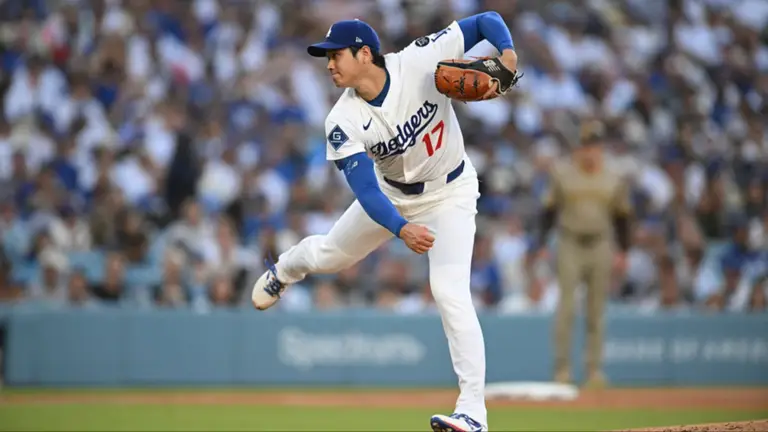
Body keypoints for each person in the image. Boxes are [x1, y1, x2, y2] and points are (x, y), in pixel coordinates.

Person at [251, 13, 519, 432]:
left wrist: (508, 54)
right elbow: (366, 191)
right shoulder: (342, 120)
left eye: (336, 55)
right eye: (327, 58)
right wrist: (399, 227)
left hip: (451, 192)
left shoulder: (418, 60)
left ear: (364, 54)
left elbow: (487, 20)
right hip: (391, 197)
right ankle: (285, 269)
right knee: (329, 256)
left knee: (449, 291)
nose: (329, 65)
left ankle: (473, 413)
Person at [533, 120, 631, 389]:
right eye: (586, 146)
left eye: (595, 146)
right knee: (566, 307)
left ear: (601, 149)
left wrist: (624, 250)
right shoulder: (563, 174)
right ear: (579, 148)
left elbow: (623, 217)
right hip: (570, 242)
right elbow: (548, 211)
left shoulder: (613, 177)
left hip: (601, 243)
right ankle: (562, 369)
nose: (590, 151)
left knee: (596, 310)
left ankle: (594, 370)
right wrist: (542, 244)